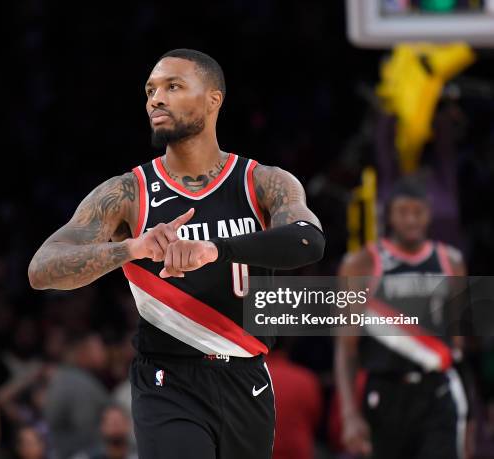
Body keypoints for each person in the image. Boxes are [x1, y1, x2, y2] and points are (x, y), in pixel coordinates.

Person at [29, 48, 325, 459]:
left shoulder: (261, 181)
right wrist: (130, 248)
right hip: (167, 378)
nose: (156, 99)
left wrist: (214, 250)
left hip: (247, 374)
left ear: (213, 99)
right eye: (150, 90)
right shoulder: (127, 192)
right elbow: (41, 269)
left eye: (173, 86)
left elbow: (308, 240)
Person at [335, 178, 469, 459]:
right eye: (403, 211)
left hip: (437, 392)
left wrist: (470, 415)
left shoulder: (450, 262)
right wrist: (349, 414)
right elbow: (346, 347)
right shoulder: (361, 263)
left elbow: (460, 341)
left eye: (417, 212)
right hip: (385, 393)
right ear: (389, 214)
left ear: (429, 213)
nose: (410, 219)